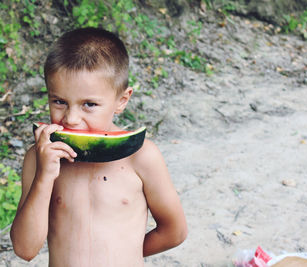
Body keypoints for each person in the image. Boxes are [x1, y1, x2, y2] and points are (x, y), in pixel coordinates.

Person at [10, 27, 187, 267]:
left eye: (89, 104)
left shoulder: (142, 156)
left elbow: (174, 231)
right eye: (59, 101)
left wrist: (128, 253)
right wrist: (44, 177)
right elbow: (25, 249)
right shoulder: (39, 158)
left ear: (121, 101)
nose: (71, 118)